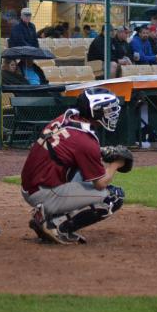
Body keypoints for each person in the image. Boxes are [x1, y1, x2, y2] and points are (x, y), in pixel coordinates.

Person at [21, 88, 128, 244]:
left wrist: (102, 152)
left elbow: (74, 149)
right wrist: (116, 164)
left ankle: (46, 216)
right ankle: (56, 225)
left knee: (81, 169)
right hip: (43, 193)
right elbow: (100, 184)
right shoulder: (85, 140)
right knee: (114, 196)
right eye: (109, 109)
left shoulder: (68, 117)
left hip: (33, 185)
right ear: (96, 111)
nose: (113, 113)